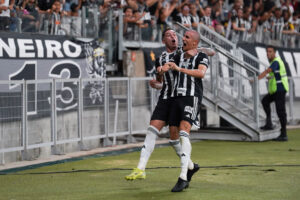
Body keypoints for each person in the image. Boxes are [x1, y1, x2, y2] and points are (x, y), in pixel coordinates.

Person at [124, 28, 199, 183]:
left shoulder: (183, 52)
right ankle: (140, 168)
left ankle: (190, 166)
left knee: (174, 138)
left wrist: (195, 51)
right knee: (152, 130)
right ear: (163, 40)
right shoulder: (160, 58)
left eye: (174, 35)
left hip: (180, 99)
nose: (173, 37)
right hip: (165, 98)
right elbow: (162, 82)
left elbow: (205, 52)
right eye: (169, 35)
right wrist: (157, 81)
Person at [164, 30, 209, 192]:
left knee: (184, 132)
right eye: (183, 36)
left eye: (187, 37)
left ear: (195, 43)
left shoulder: (202, 57)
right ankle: (190, 166)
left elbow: (201, 73)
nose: (183, 39)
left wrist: (179, 69)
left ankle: (183, 177)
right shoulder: (179, 56)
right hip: (176, 97)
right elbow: (170, 65)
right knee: (173, 137)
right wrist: (163, 68)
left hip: (191, 97)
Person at [257, 45, 289, 141]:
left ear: (274, 53)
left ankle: (284, 134)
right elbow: (274, 74)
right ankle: (269, 123)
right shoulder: (274, 62)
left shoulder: (276, 61)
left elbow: (268, 71)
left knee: (281, 111)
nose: (268, 53)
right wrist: (270, 77)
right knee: (265, 101)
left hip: (280, 89)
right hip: (276, 90)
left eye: (270, 51)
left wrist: (256, 79)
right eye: (267, 51)